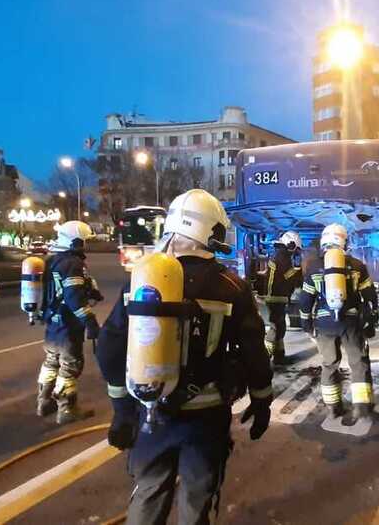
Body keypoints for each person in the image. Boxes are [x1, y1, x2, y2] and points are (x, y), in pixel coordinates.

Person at [95, 189, 274, 525]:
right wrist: (262, 401)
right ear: (211, 231)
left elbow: (109, 349)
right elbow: (253, 353)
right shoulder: (231, 287)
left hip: (151, 414)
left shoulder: (143, 280)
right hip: (205, 420)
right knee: (197, 499)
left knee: (148, 494)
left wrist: (121, 411)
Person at [298, 223, 379, 423]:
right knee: (358, 364)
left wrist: (307, 324)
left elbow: (306, 300)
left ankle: (333, 408)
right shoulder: (358, 266)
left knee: (329, 365)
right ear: (344, 241)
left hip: (324, 325)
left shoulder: (314, 267)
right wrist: (371, 320)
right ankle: (361, 408)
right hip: (350, 324)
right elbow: (370, 297)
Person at [36, 220, 104, 424]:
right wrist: (90, 321)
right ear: (75, 241)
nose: (86, 245)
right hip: (67, 325)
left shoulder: (53, 260)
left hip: (52, 324)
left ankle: (44, 401)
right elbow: (74, 298)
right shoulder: (73, 263)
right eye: (84, 241)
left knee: (51, 363)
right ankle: (66, 409)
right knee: (70, 366)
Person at [262, 231, 303, 364]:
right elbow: (291, 277)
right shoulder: (282, 256)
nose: (294, 252)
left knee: (280, 326)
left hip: (276, 297)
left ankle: (279, 355)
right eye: (295, 249)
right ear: (290, 244)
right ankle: (262, 358)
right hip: (276, 297)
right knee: (275, 327)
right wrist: (301, 272)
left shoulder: (280, 254)